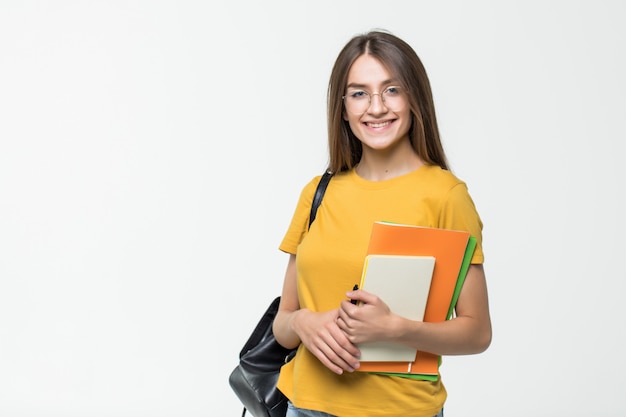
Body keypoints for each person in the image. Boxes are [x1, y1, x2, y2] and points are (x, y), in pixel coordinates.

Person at [272, 29, 492, 417]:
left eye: (391, 90)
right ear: (343, 108)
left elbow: (477, 332)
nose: (376, 107)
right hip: (303, 407)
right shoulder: (317, 193)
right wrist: (305, 322)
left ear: (413, 99)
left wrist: (397, 329)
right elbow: (283, 322)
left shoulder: (445, 196)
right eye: (359, 93)